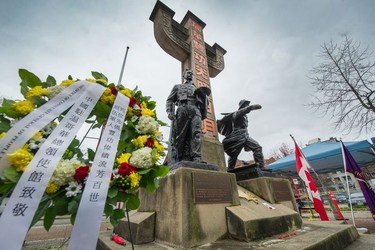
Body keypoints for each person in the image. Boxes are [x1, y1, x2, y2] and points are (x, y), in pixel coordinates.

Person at [166, 69, 210, 164]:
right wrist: (169, 112)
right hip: (182, 108)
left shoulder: (197, 88)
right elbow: (170, 100)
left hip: (195, 109)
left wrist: (204, 96)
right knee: (180, 135)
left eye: (191, 73)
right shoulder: (177, 87)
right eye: (188, 72)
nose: (190, 74)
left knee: (196, 133)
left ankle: (196, 157)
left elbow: (206, 102)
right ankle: (179, 157)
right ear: (184, 75)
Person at [217, 99, 264, 170]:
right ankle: (230, 169)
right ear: (243, 106)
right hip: (238, 136)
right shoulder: (238, 113)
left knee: (257, 147)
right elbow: (245, 110)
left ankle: (261, 167)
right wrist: (252, 107)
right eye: (246, 105)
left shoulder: (245, 116)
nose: (247, 106)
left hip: (245, 136)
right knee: (234, 154)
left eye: (248, 105)